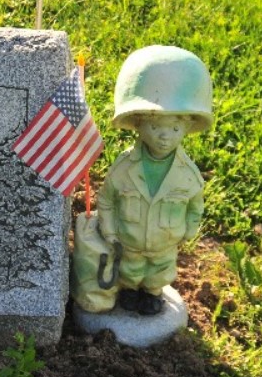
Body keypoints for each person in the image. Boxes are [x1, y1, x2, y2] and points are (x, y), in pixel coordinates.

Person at [71, 46, 213, 315]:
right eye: (155, 126)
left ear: (187, 127)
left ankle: (153, 293)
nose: (164, 137)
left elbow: (195, 203)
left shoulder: (187, 174)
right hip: (129, 239)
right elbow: (108, 199)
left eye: (174, 128)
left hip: (165, 242)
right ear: (138, 124)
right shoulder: (125, 168)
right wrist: (110, 231)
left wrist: (190, 229)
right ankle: (131, 292)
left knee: (160, 270)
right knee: (130, 270)